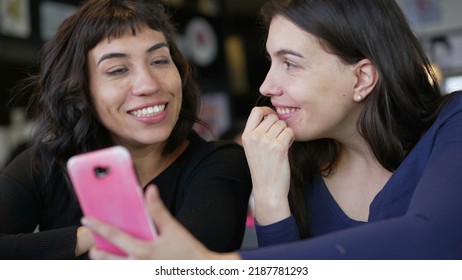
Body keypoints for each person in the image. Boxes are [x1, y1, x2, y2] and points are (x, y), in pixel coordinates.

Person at [84, 0, 462, 260]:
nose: (266, 86)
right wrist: (268, 196)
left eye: (290, 64)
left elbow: (430, 242)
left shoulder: (453, 123)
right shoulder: (298, 164)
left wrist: (215, 265)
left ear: (361, 77)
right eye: (271, 62)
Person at [0, 0, 252, 260]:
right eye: (118, 70)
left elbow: (184, 266)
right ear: (79, 90)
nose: (148, 84)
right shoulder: (46, 164)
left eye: (159, 61)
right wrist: (93, 234)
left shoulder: (221, 163)